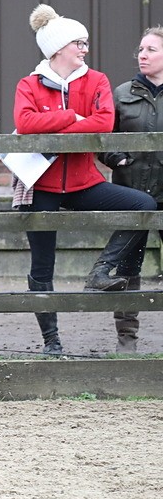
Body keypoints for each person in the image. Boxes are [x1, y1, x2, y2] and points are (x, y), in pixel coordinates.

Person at [13, 4, 156, 356]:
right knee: (42, 266)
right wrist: (73, 116)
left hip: (84, 181)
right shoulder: (29, 84)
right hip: (41, 186)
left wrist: (59, 122)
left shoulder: (97, 81)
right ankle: (52, 341)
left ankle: (101, 269)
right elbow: (25, 124)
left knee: (142, 205)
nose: (84, 49)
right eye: (79, 43)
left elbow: (104, 123)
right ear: (59, 47)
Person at [100, 25, 163, 352]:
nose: (142, 54)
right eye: (141, 49)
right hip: (131, 194)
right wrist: (118, 160)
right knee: (127, 268)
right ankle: (127, 341)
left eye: (151, 49)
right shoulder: (122, 94)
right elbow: (102, 140)